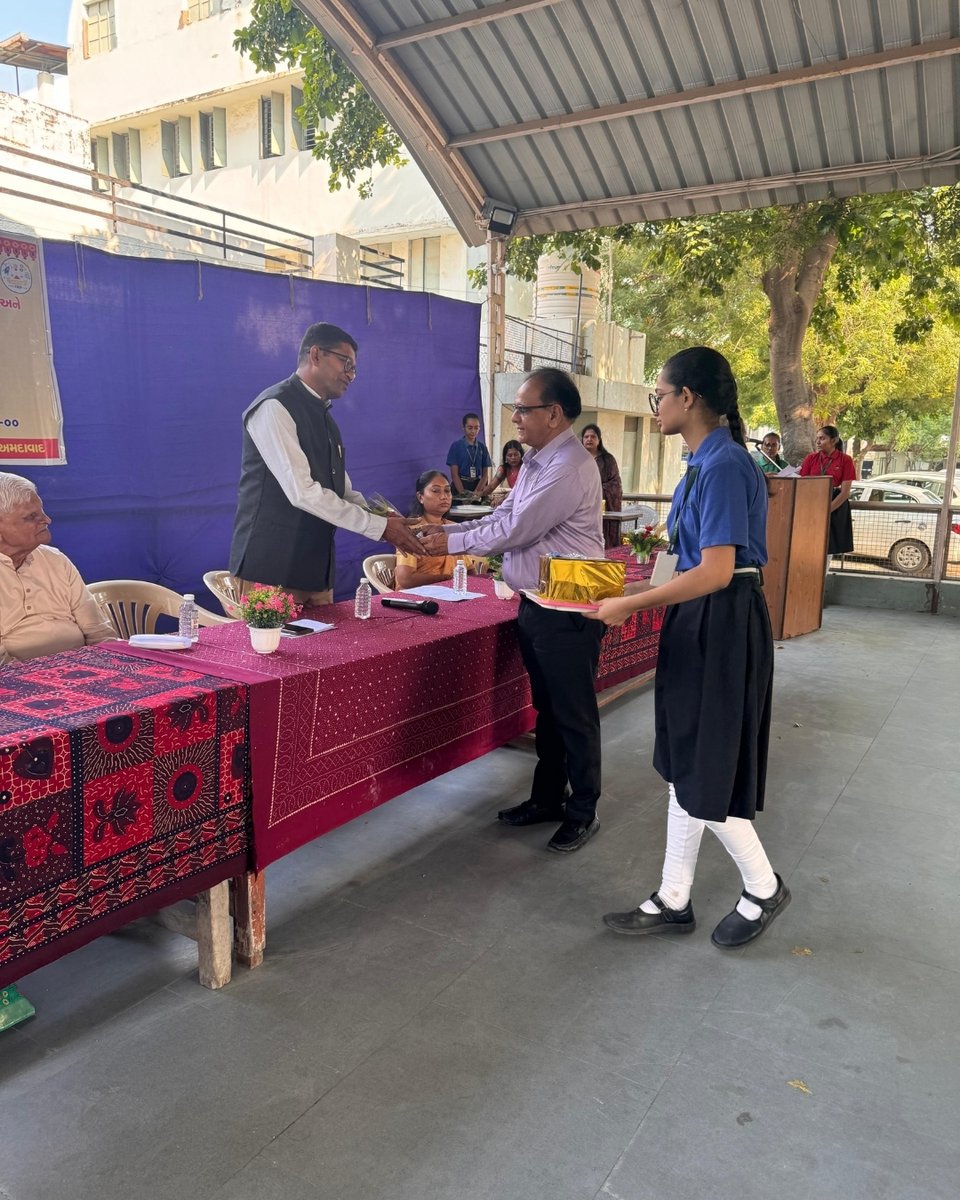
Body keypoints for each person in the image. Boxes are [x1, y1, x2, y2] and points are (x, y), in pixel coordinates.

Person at [590, 347, 790, 948]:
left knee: (707, 765)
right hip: (698, 618)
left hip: (722, 622)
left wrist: (629, 606)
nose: (655, 406)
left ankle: (762, 885)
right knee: (686, 760)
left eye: (659, 395)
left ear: (689, 399)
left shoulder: (726, 464)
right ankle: (674, 897)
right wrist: (631, 584)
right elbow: (686, 560)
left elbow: (718, 570)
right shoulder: (702, 462)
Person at [420, 368, 606, 854]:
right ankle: (548, 798)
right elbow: (505, 514)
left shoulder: (570, 465)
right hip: (537, 603)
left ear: (554, 413)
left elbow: (519, 529)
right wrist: (456, 530)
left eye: (524, 408)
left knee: (574, 713)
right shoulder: (539, 461)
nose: (515, 417)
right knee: (549, 709)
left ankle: (583, 810)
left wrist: (453, 541)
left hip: (568, 607)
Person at [229, 322, 422, 605]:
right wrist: (377, 527)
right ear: (316, 355)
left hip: (316, 570)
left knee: (324, 649)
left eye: (354, 369)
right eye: (346, 364)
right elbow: (303, 492)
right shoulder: (274, 406)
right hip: (271, 569)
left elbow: (342, 492)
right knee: (275, 649)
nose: (351, 376)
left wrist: (382, 517)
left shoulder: (327, 420)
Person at [0, 473, 114, 665]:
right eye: (31, 516)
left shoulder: (55, 559)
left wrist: (113, 666)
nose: (47, 520)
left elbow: (99, 633)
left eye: (42, 511)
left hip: (86, 669)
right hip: (20, 683)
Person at [394, 471, 485, 589]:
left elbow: (470, 571)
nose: (444, 496)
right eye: (436, 491)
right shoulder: (412, 530)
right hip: (417, 599)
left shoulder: (453, 528)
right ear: (420, 497)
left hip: (452, 595)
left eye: (447, 491)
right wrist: (445, 580)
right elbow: (405, 579)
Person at [800, 425, 856, 560]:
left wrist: (827, 510)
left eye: (822, 438)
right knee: (807, 544)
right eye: (817, 439)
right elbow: (802, 484)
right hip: (812, 503)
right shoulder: (811, 458)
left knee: (828, 548)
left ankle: (822, 579)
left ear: (834, 440)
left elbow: (845, 492)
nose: (818, 442)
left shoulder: (845, 460)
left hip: (834, 505)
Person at [581, 423, 623, 548]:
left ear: (599, 440)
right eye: (586, 437)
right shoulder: (578, 459)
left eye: (593, 437)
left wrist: (594, 489)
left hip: (602, 508)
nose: (589, 439)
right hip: (581, 509)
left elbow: (615, 484)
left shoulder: (608, 459)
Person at [446, 412, 492, 498]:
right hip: (460, 486)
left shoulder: (482, 448)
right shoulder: (456, 446)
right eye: (470, 428)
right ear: (463, 428)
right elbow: (454, 475)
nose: (473, 431)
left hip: (477, 485)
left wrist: (476, 493)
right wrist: (463, 495)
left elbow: (485, 475)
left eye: (476, 428)